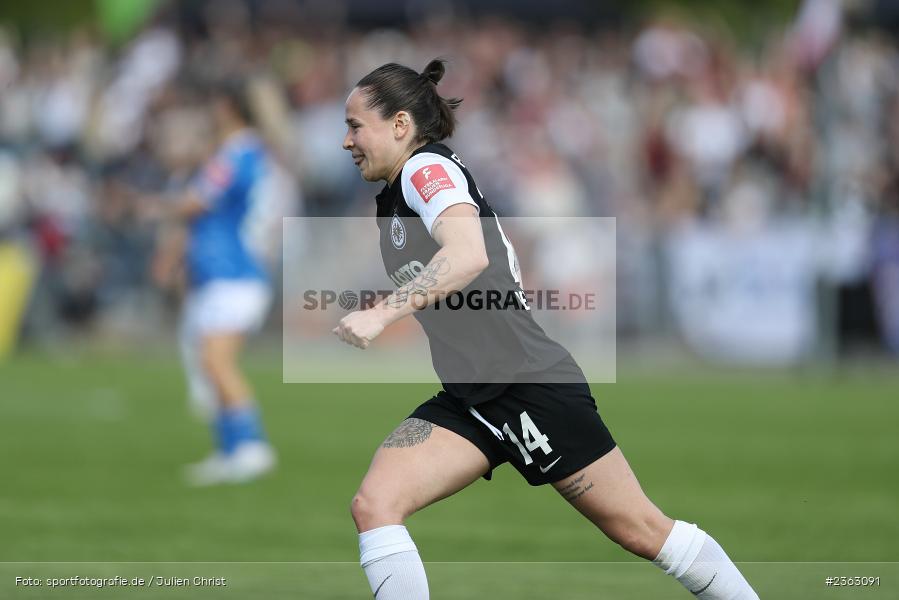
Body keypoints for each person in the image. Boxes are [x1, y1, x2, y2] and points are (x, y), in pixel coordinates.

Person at [336, 59, 760, 599]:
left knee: (645, 531)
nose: (345, 140)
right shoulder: (397, 195)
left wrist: (380, 313)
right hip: (473, 395)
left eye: (354, 126)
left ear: (400, 125)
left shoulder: (425, 171)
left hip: (528, 384)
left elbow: (467, 255)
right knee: (375, 504)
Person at [147, 82, 277, 486]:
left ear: (227, 107)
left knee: (217, 361)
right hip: (222, 272)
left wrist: (152, 205)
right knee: (210, 361)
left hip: (233, 272)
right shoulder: (244, 152)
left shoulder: (236, 153)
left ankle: (252, 447)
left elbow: (197, 202)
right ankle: (231, 449)